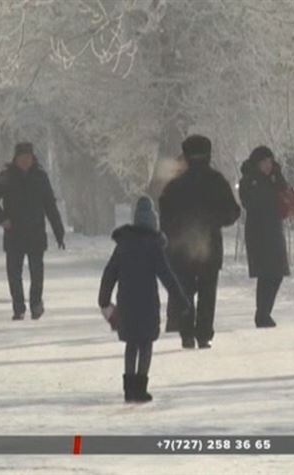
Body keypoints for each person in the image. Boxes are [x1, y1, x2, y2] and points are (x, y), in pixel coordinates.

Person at [98, 196, 189, 402]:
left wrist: (104, 299)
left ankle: (129, 389)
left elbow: (110, 273)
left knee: (131, 344)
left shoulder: (123, 245)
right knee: (146, 344)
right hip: (147, 303)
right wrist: (180, 299)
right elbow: (167, 275)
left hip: (127, 303)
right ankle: (141, 387)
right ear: (153, 222)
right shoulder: (153, 246)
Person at [159, 135, 241, 349]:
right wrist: (213, 220)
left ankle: (186, 333)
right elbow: (232, 212)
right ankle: (204, 334)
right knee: (207, 290)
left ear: (185, 155)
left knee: (185, 289)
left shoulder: (175, 186)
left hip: (182, 248)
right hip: (210, 245)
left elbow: (165, 217)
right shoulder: (217, 181)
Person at [0, 142, 65, 321]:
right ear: (16, 158)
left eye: (28, 157)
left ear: (32, 158)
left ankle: (36, 303)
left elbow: (50, 206)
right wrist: (2, 219)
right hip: (14, 233)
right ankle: (18, 307)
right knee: (14, 272)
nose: (25, 160)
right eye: (22, 157)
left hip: (36, 232)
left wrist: (59, 231)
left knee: (37, 272)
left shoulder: (40, 177)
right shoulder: (6, 177)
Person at [239, 146, 290, 328]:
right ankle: (262, 314)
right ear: (257, 163)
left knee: (277, 273)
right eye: (265, 162)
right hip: (258, 231)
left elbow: (284, 191)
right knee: (266, 273)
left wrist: (276, 175)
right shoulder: (249, 180)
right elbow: (250, 201)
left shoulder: (274, 178)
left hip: (274, 229)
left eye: (270, 162)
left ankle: (264, 312)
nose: (268, 165)